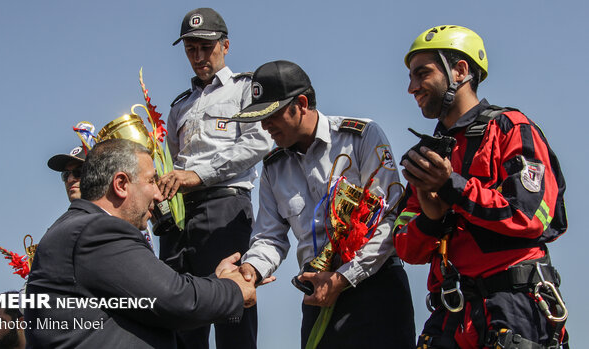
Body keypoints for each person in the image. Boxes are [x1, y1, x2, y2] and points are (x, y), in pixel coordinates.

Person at [394, 25, 568, 348]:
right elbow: (405, 245)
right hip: (451, 314)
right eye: (410, 77)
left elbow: (530, 215)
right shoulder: (428, 157)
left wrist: (452, 187)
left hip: (512, 308)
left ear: (460, 70)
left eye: (421, 74)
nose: (412, 87)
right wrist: (431, 219)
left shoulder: (511, 129)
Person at [231, 60, 416, 349]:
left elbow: (390, 216)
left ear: (301, 103)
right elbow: (269, 237)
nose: (264, 126)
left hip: (375, 288)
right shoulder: (272, 168)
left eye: (271, 114)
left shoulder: (361, 137)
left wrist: (343, 278)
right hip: (317, 297)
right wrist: (251, 270)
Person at [25, 139, 256, 349]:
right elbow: (176, 300)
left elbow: (153, 297)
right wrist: (234, 289)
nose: (158, 194)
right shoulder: (96, 232)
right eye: (151, 181)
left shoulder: (83, 229)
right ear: (121, 184)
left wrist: (216, 281)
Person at [158, 7, 273, 349]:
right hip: (180, 217)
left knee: (231, 310)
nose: (198, 56)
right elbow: (172, 158)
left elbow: (260, 141)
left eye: (205, 47)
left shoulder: (244, 89)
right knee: (181, 314)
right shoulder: (180, 105)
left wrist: (197, 175)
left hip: (225, 209)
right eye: (191, 49)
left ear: (225, 45)